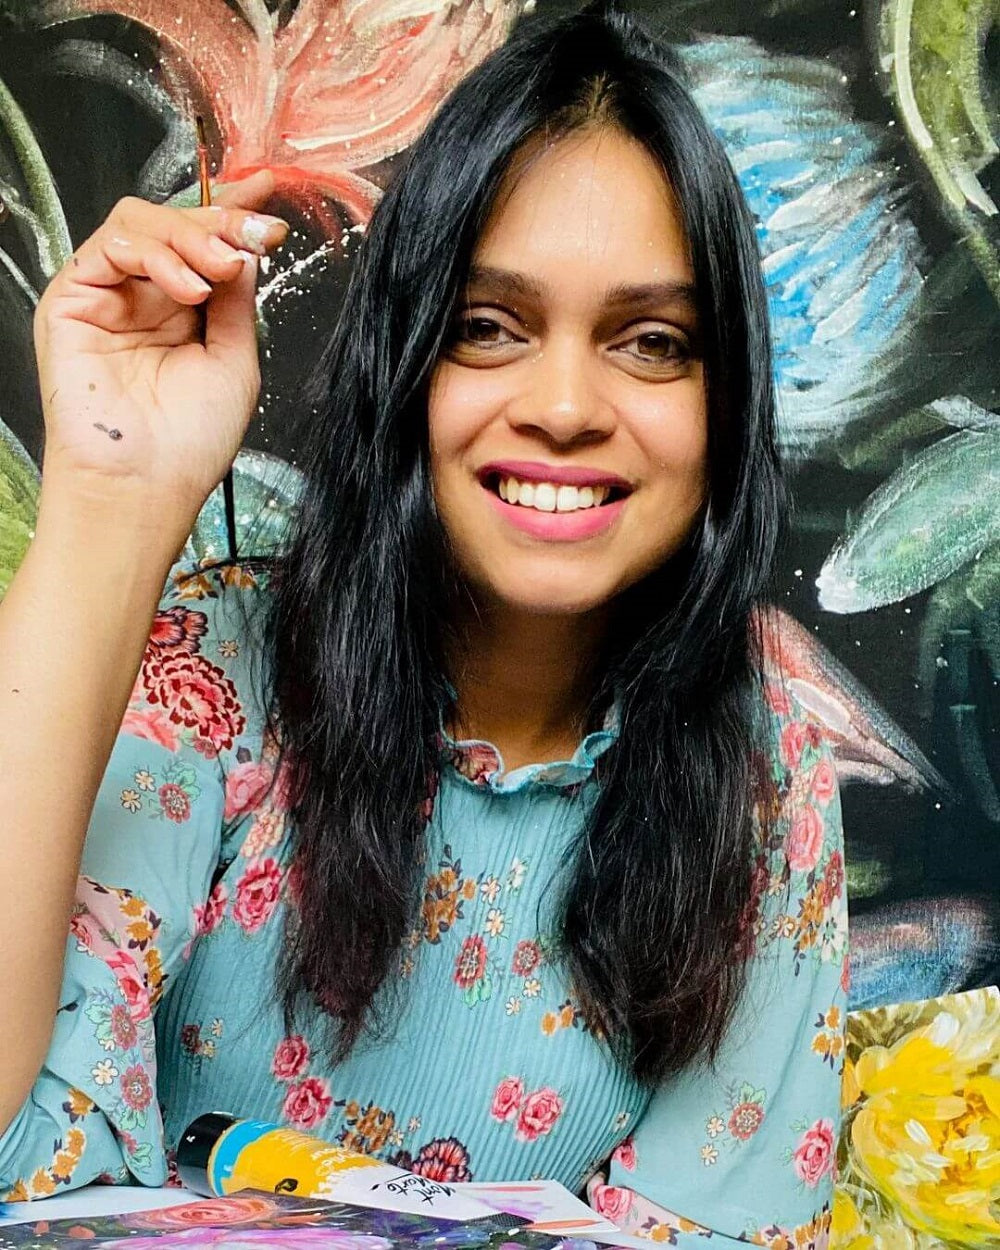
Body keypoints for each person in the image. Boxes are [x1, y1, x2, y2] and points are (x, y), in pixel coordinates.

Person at [0, 2, 847, 1245]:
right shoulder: (216, 680)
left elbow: (719, 1226)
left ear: (724, 405)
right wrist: (110, 499)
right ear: (405, 368)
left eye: (652, 341)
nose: (564, 404)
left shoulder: (761, 768)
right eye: (488, 327)